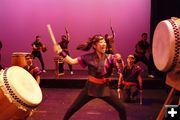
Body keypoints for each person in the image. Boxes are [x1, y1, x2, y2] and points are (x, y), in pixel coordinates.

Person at [54, 35, 127, 120]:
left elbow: (121, 70)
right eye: (101, 42)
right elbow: (71, 61)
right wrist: (60, 52)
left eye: (104, 42)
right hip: (90, 88)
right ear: (94, 46)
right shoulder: (88, 57)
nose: (104, 44)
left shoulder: (110, 58)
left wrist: (119, 61)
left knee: (121, 108)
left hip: (104, 88)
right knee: (73, 108)